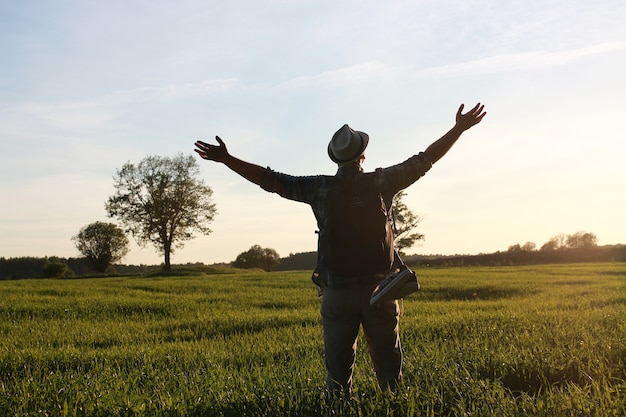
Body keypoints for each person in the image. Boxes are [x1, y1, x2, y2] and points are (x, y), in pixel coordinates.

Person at [194, 103, 486, 394]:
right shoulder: (382, 182)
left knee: (337, 377)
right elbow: (424, 160)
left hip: (336, 293)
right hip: (380, 291)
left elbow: (270, 180)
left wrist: (227, 159)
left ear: (335, 158)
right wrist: (458, 128)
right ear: (363, 155)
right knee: (389, 374)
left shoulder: (319, 188)